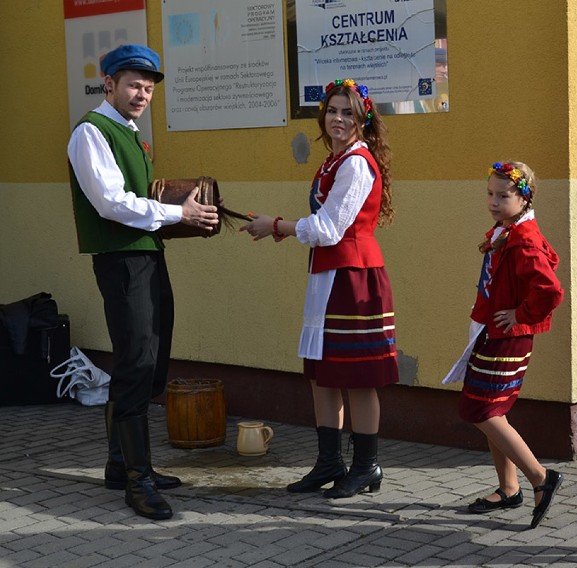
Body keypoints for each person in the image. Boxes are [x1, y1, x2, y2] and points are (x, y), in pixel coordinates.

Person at [67, 44, 219, 520]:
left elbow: (138, 200)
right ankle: (138, 480)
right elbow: (112, 203)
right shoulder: (92, 132)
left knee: (151, 363)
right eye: (134, 84)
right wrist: (179, 211)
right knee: (136, 364)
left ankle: (120, 464)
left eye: (149, 88)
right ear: (108, 83)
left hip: (147, 257)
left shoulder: (131, 135)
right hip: (120, 261)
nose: (142, 94)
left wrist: (183, 216)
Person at [240, 79, 397, 498]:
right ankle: (329, 461)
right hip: (329, 276)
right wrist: (281, 228)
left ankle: (367, 466)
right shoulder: (334, 161)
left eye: (348, 112)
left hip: (354, 278)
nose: (338, 119)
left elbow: (328, 228)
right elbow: (324, 228)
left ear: (362, 120)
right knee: (322, 376)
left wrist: (276, 225)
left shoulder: (356, 164)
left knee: (358, 378)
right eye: (332, 111)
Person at [443, 161, 564, 529]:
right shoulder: (508, 230)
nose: (494, 202)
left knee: (481, 410)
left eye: (503, 196)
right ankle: (509, 488)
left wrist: (520, 313)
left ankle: (541, 478)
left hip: (506, 339)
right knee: (492, 409)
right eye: (490, 194)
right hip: (491, 332)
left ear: (523, 199)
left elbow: (550, 290)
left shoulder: (523, 240)